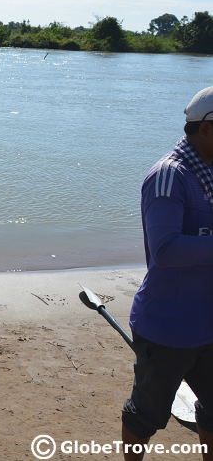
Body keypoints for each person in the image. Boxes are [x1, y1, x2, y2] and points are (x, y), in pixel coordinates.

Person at [123, 86, 213, 460]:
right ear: (207, 129)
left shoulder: (209, 170)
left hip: (209, 323)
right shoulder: (168, 176)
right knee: (146, 414)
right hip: (167, 327)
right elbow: (166, 251)